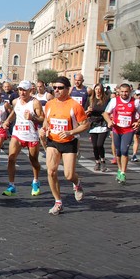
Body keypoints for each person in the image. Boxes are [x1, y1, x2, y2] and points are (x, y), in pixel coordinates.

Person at [43, 76, 89, 215]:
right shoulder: (50, 104)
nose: (56, 90)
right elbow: (47, 121)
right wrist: (43, 129)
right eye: (54, 88)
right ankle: (58, 202)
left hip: (69, 142)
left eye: (60, 88)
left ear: (67, 89)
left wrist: (71, 132)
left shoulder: (74, 105)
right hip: (53, 141)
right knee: (51, 172)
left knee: (69, 175)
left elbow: (85, 125)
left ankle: (77, 183)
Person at [2, 80, 44, 197]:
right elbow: (14, 112)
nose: (22, 92)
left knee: (33, 160)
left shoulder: (35, 103)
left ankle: (35, 181)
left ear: (31, 91)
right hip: (18, 134)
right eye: (20, 89)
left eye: (25, 90)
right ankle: (12, 186)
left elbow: (42, 118)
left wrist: (33, 117)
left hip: (31, 135)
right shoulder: (15, 101)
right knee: (11, 158)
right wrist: (7, 121)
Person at [102, 83, 140, 185]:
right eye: (122, 91)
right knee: (118, 151)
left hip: (128, 130)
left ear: (130, 92)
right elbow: (105, 113)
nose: (124, 94)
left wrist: (138, 122)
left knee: (124, 150)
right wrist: (109, 121)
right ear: (119, 92)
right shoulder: (114, 101)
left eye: (126, 92)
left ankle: (123, 172)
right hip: (117, 129)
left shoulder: (136, 102)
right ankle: (120, 169)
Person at [86, 84, 110, 172]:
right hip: (93, 124)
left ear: (102, 90)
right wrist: (88, 111)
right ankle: (97, 162)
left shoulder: (106, 99)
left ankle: (103, 160)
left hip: (103, 123)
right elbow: (85, 112)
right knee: (95, 146)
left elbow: (108, 111)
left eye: (100, 89)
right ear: (94, 90)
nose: (98, 91)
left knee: (100, 144)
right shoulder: (91, 100)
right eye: (96, 89)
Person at [130, 89, 140, 162]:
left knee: (136, 138)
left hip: (138, 122)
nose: (139, 96)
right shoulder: (131, 102)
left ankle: (134, 154)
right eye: (137, 95)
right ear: (134, 95)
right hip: (130, 122)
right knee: (129, 139)